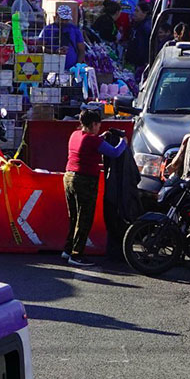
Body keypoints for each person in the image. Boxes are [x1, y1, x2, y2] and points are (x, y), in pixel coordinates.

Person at [63, 106, 129, 267]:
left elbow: (89, 144)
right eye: (98, 125)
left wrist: (101, 136)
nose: (100, 127)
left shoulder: (75, 135)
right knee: (84, 218)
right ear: (93, 124)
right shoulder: (93, 140)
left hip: (69, 177)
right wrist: (123, 142)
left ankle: (68, 249)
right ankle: (77, 254)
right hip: (85, 180)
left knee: (74, 217)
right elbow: (114, 152)